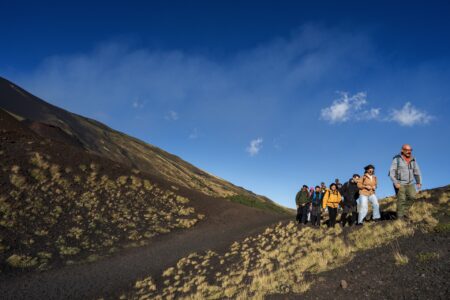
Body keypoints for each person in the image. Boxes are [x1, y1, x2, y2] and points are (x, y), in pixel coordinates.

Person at [389, 144, 422, 219]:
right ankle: (400, 217)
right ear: (402, 150)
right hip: (400, 183)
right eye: (407, 150)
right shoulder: (396, 159)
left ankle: (404, 211)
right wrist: (395, 182)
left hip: (410, 183)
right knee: (402, 199)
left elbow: (417, 171)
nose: (409, 152)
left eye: (410, 150)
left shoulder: (413, 160)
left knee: (412, 197)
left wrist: (418, 182)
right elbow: (391, 172)